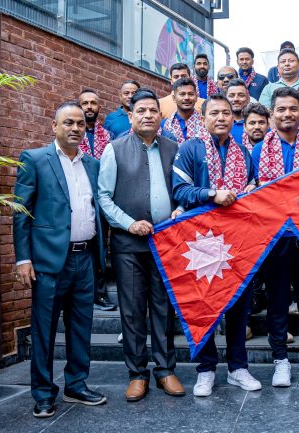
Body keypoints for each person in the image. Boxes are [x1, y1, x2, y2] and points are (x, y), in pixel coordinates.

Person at [14, 101, 107, 418]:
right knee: (44, 329)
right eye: (68, 122)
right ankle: (43, 393)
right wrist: (23, 259)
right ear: (54, 126)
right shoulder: (35, 159)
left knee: (81, 327)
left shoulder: (92, 164)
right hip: (48, 261)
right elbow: (21, 212)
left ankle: (76, 385)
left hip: (85, 258)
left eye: (80, 123)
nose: (75, 128)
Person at [98, 88, 184, 402]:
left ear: (161, 116)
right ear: (130, 116)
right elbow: (103, 196)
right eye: (141, 111)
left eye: (153, 110)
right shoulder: (114, 149)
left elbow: (183, 189)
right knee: (133, 312)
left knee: (163, 309)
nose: (148, 115)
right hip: (129, 244)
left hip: (166, 243)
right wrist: (129, 223)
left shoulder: (173, 148)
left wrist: (180, 209)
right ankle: (137, 374)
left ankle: (165, 370)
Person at [172, 94, 260, 397]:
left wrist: (251, 189)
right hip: (201, 241)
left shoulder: (243, 152)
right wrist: (212, 194)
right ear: (204, 117)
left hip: (237, 241)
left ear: (233, 118)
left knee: (238, 305)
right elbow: (180, 190)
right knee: (204, 306)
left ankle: (238, 368)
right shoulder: (190, 148)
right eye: (214, 113)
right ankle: (206, 370)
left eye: (226, 113)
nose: (221, 118)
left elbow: (252, 187)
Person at [251, 87, 299, 387]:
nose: (288, 114)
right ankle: (280, 360)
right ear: (272, 113)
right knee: (277, 301)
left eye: (293, 108)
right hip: (274, 236)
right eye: (281, 109)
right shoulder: (258, 151)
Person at [78, 89, 117, 311]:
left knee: (101, 248)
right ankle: (82, 294)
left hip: (103, 198)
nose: (89, 107)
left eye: (93, 103)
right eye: (85, 103)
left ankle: (100, 294)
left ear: (99, 107)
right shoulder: (73, 133)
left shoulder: (108, 136)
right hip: (80, 199)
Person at [160, 77, 207, 145]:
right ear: (174, 98)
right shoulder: (164, 125)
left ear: (196, 97)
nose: (186, 98)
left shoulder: (205, 123)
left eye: (190, 94)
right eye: (182, 94)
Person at [225, 78, 252, 148]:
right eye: (231, 96)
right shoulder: (220, 123)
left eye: (241, 95)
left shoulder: (257, 123)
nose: (236, 99)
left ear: (248, 99)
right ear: (226, 99)